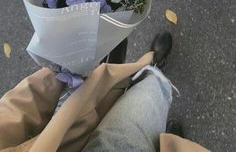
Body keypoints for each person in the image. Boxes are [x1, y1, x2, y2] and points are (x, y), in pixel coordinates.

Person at [0, 32, 210, 152]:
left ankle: (131, 68)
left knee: (109, 88)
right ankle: (153, 68)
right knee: (148, 98)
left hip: (66, 129)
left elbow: (15, 114)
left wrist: (63, 68)